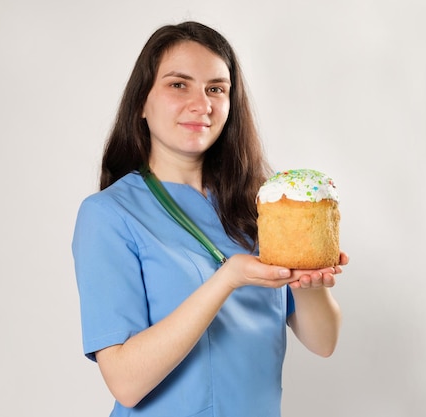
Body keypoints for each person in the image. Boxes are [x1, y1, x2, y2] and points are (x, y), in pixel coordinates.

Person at [72, 21, 349, 417]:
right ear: (141, 103)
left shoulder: (260, 207)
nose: (202, 105)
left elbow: (323, 343)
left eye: (216, 89)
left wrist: (309, 280)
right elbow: (126, 383)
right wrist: (227, 279)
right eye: (178, 85)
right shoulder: (109, 215)